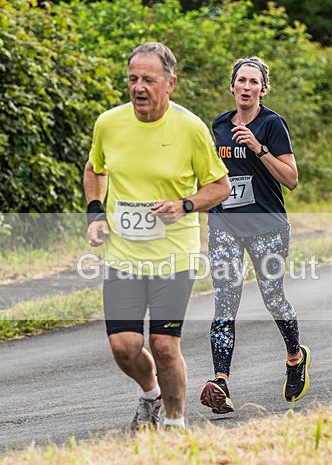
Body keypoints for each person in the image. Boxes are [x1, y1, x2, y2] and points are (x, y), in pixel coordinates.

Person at [83, 42, 230, 430]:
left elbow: (220, 187)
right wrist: (96, 213)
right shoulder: (109, 124)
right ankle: (151, 395)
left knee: (164, 346)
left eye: (148, 80)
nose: (139, 87)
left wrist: (184, 205)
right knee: (124, 346)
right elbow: (95, 168)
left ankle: (175, 426)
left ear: (170, 83)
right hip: (124, 254)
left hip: (173, 255)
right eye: (133, 79)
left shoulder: (190, 128)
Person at [199, 57, 309, 414]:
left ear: (264, 89)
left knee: (273, 298)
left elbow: (291, 179)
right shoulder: (218, 126)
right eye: (241, 81)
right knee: (224, 302)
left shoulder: (272, 124)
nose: (246, 87)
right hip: (225, 225)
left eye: (254, 82)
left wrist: (258, 148)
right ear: (232, 86)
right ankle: (221, 382)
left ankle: (295, 357)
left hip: (267, 227)